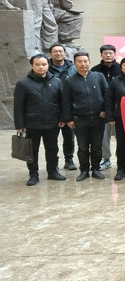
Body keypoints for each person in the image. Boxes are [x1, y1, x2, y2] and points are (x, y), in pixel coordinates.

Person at [13, 54, 66, 186]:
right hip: (32, 123)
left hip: (52, 122)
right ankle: (33, 174)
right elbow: (18, 106)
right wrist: (19, 124)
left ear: (48, 65)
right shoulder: (23, 84)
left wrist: (62, 117)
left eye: (44, 64)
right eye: (37, 64)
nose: (41, 67)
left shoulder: (56, 81)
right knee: (32, 150)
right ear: (32, 66)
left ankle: (53, 172)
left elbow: (62, 102)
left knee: (52, 148)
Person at [63, 52, 109, 181]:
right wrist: (69, 119)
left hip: (98, 118)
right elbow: (66, 101)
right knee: (82, 147)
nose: (83, 64)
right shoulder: (69, 81)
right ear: (75, 63)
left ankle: (95, 169)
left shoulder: (98, 77)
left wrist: (104, 110)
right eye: (79, 61)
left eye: (85, 61)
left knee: (97, 146)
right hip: (80, 119)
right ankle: (84, 170)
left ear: (89, 62)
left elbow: (107, 95)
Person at [91, 44, 121, 171]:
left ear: (115, 54)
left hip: (119, 110)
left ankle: (121, 159)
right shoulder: (95, 70)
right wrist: (102, 109)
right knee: (103, 137)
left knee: (120, 137)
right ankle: (106, 159)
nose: (108, 55)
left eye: (110, 53)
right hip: (102, 111)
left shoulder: (121, 68)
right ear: (101, 55)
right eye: (105, 53)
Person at [47, 43, 77, 170]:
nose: (58, 53)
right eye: (55, 51)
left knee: (69, 137)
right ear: (50, 54)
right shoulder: (45, 67)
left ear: (64, 53)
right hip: (52, 108)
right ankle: (53, 163)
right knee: (51, 139)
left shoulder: (73, 68)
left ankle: (69, 160)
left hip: (69, 108)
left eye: (60, 51)